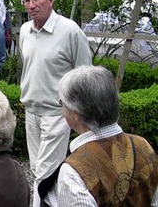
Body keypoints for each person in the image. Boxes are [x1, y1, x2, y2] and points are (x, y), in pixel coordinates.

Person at [18, 0, 92, 207]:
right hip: (31, 111)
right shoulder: (25, 30)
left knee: (45, 172)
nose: (31, 5)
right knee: (37, 169)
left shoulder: (69, 31)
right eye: (27, 0)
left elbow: (85, 73)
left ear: (50, 0)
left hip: (58, 114)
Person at [40, 65, 158, 206]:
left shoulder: (75, 170)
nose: (62, 109)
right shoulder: (143, 145)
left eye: (62, 103)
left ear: (76, 114)